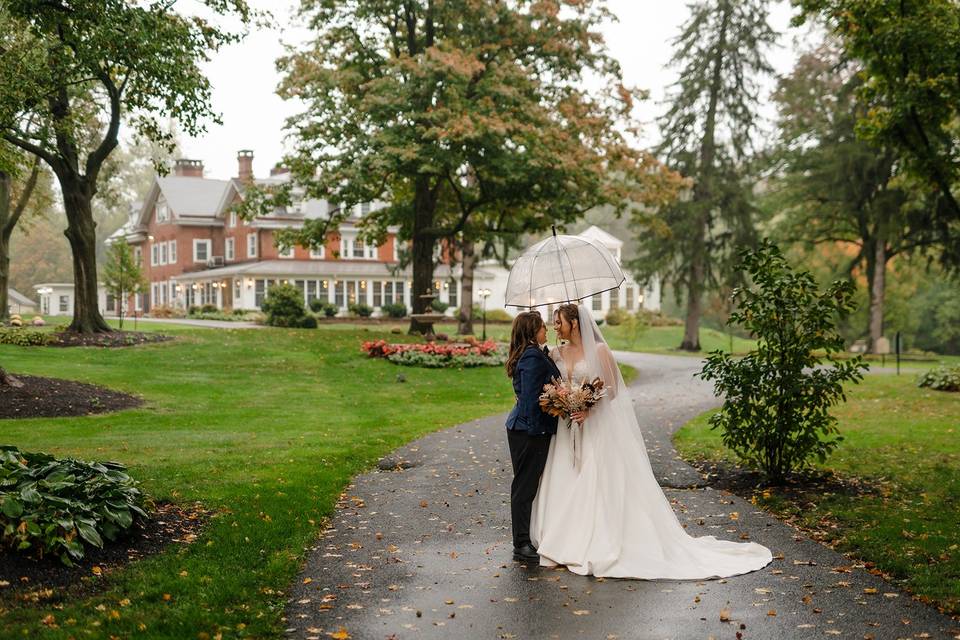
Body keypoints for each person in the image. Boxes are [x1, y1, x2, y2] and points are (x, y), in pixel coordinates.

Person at [530, 302, 772, 579]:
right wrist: (562, 402)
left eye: (558, 321)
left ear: (574, 323)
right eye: (553, 322)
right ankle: (564, 536)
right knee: (566, 476)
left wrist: (587, 406)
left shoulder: (599, 351)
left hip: (593, 426)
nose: (554, 326)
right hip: (566, 428)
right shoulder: (555, 352)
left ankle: (597, 540)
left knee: (595, 478)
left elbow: (613, 389)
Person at [504, 311, 562, 562]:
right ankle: (521, 544)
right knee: (524, 486)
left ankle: (525, 539)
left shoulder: (533, 353)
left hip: (527, 429)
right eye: (542, 327)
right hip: (528, 430)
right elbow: (529, 399)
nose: (546, 330)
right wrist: (537, 430)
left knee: (526, 484)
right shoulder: (530, 356)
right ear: (532, 331)